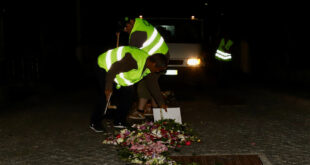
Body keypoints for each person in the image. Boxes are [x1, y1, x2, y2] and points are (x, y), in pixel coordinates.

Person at [89, 46, 168, 132]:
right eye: (158, 69)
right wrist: (108, 87)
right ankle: (94, 122)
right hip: (104, 66)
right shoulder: (132, 61)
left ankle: (119, 121)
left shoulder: (149, 67)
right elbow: (113, 70)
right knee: (106, 96)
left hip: (117, 72)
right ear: (153, 64)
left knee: (129, 94)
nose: (157, 71)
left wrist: (161, 103)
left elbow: (153, 86)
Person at [122, 17, 170, 119]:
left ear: (131, 22)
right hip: (162, 54)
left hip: (157, 61)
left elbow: (133, 56)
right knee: (144, 83)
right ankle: (151, 109)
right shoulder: (140, 23)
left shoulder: (136, 34)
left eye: (126, 26)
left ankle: (150, 109)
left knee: (151, 83)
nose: (125, 29)